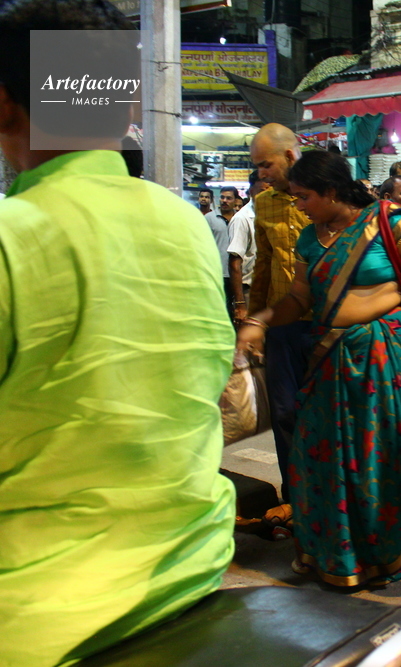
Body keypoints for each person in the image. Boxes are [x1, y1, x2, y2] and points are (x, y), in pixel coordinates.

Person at [0, 3, 234, 664]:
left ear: (5, 106)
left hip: (35, 613)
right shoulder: (186, 225)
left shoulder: (13, 236)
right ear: (126, 103)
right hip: (192, 569)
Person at [237, 150, 401, 586]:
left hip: (385, 355)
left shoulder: (391, 223)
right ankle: (333, 555)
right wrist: (261, 321)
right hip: (329, 356)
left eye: (304, 196)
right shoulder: (310, 238)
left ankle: (381, 557)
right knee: (317, 457)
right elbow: (299, 298)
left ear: (331, 191)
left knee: (375, 460)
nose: (299, 205)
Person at [248, 123, 313, 520]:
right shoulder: (264, 204)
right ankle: (295, 497)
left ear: (290, 156)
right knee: (285, 414)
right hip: (281, 328)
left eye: (266, 165)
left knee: (323, 414)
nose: (261, 174)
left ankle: (327, 496)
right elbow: (264, 264)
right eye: (257, 167)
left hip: (325, 326)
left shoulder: (323, 197)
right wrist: (253, 319)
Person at [228, 171, 271, 322]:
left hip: (269, 288)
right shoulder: (242, 219)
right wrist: (240, 303)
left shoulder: (270, 215)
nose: (266, 196)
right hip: (250, 291)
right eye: (262, 192)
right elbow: (235, 263)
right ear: (251, 191)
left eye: (270, 192)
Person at [206, 186, 238, 313]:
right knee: (218, 307)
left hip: (237, 272)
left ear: (235, 200)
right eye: (222, 197)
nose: (224, 201)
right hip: (217, 271)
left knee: (235, 308)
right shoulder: (209, 218)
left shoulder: (240, 218)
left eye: (229, 198)